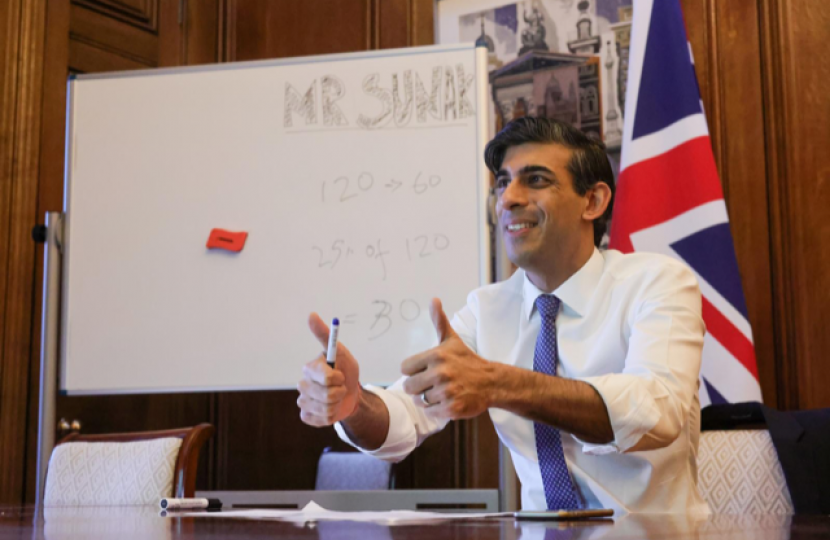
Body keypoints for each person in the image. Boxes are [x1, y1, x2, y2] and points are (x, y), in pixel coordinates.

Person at [297, 117, 709, 515]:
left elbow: (659, 409)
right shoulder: (486, 308)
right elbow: (405, 416)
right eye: (501, 182)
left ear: (593, 201)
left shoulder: (658, 283)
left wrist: (501, 384)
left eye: (536, 180)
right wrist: (353, 405)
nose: (508, 198)